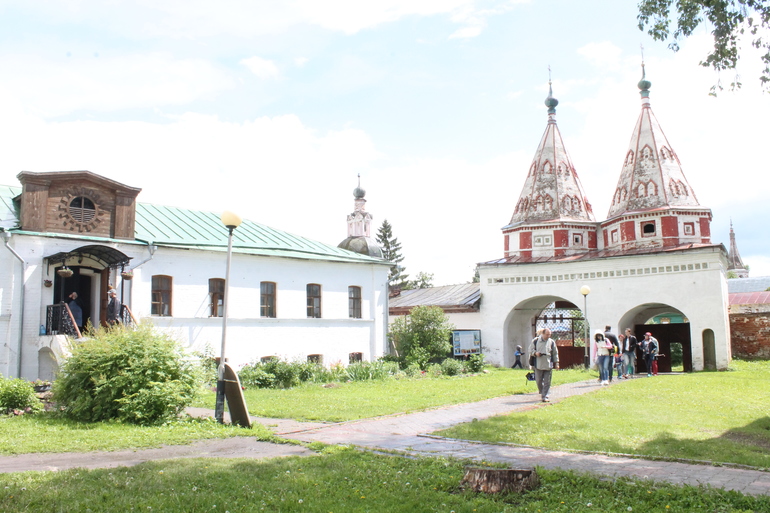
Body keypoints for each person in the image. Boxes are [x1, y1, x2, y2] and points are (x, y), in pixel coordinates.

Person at [528, 328, 559, 402]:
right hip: (538, 364)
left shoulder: (551, 342)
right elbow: (530, 350)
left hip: (548, 364)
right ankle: (542, 391)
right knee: (538, 381)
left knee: (547, 381)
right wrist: (535, 353)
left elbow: (555, 353)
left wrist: (557, 363)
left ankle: (545, 396)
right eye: (547, 334)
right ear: (543, 334)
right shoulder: (535, 341)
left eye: (549, 334)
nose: (548, 336)